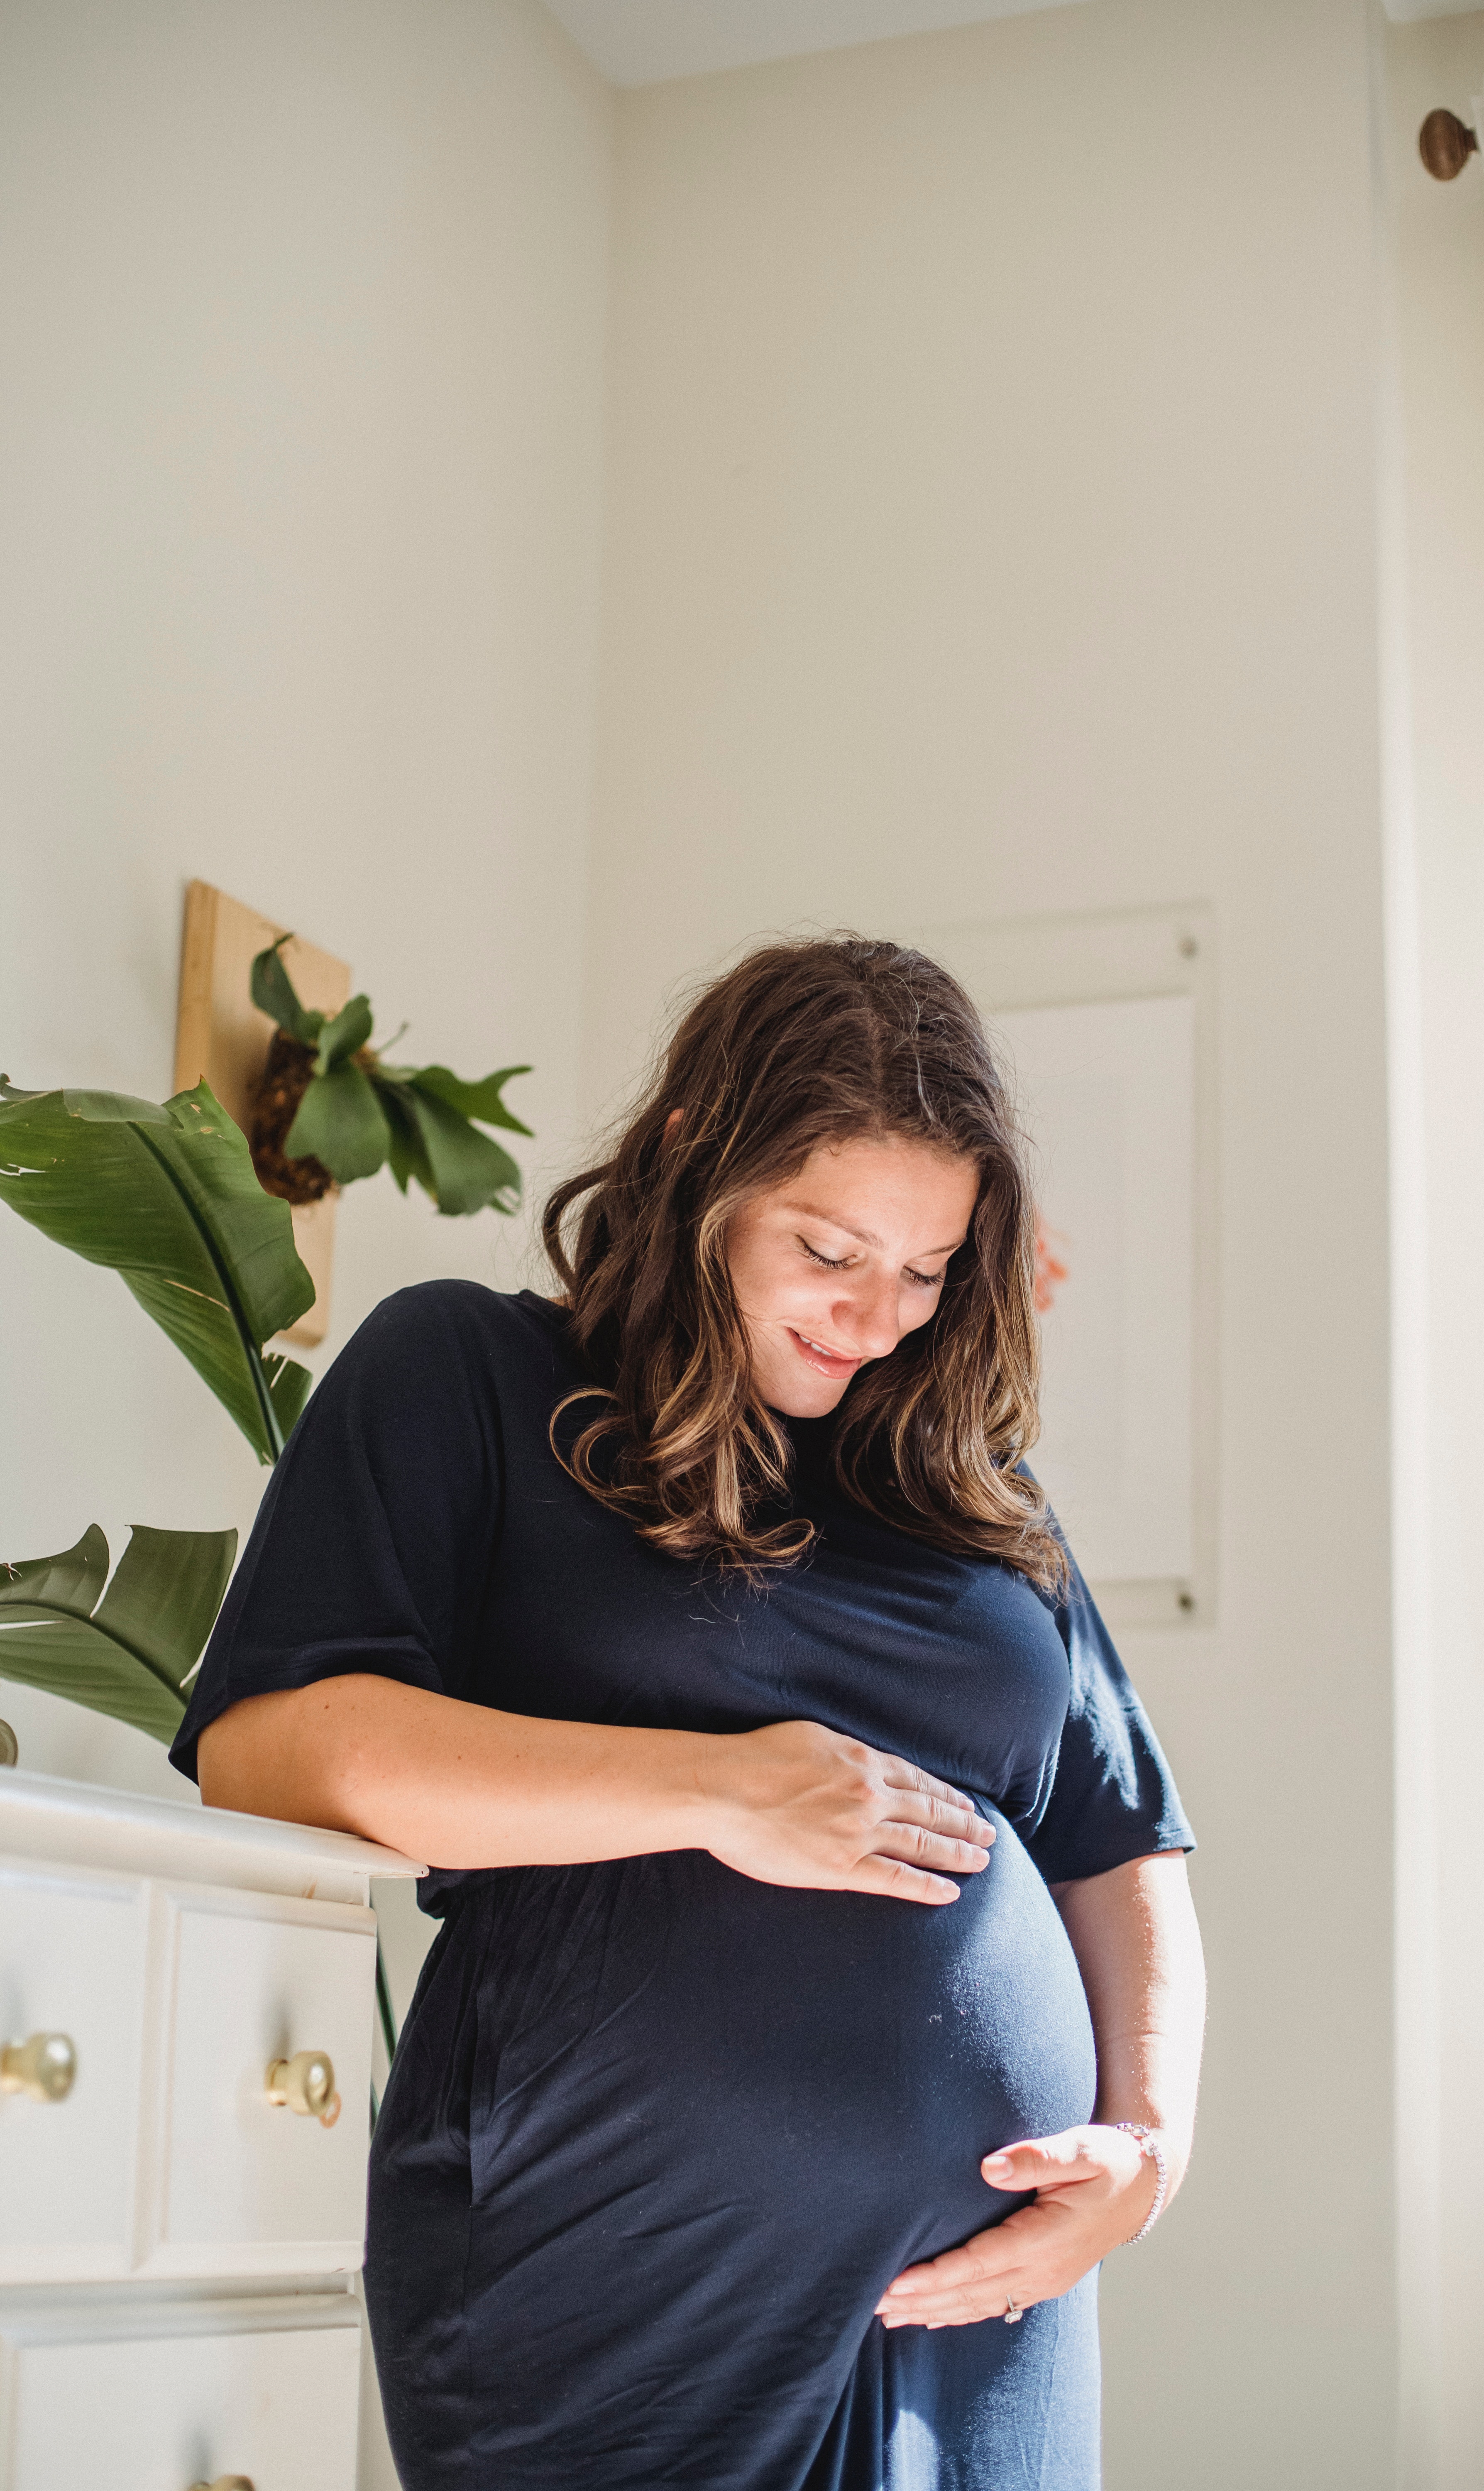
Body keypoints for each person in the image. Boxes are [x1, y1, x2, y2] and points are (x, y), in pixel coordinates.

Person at [174, 934, 1205, 2491]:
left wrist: (1146, 2150)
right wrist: (720, 1791)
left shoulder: (980, 1496)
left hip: (989, 2305)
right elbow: (271, 1751)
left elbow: (1121, 1844)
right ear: (692, 1164)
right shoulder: (471, 1373)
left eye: (927, 1271)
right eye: (831, 1250)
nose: (878, 1318)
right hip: (617, 2259)